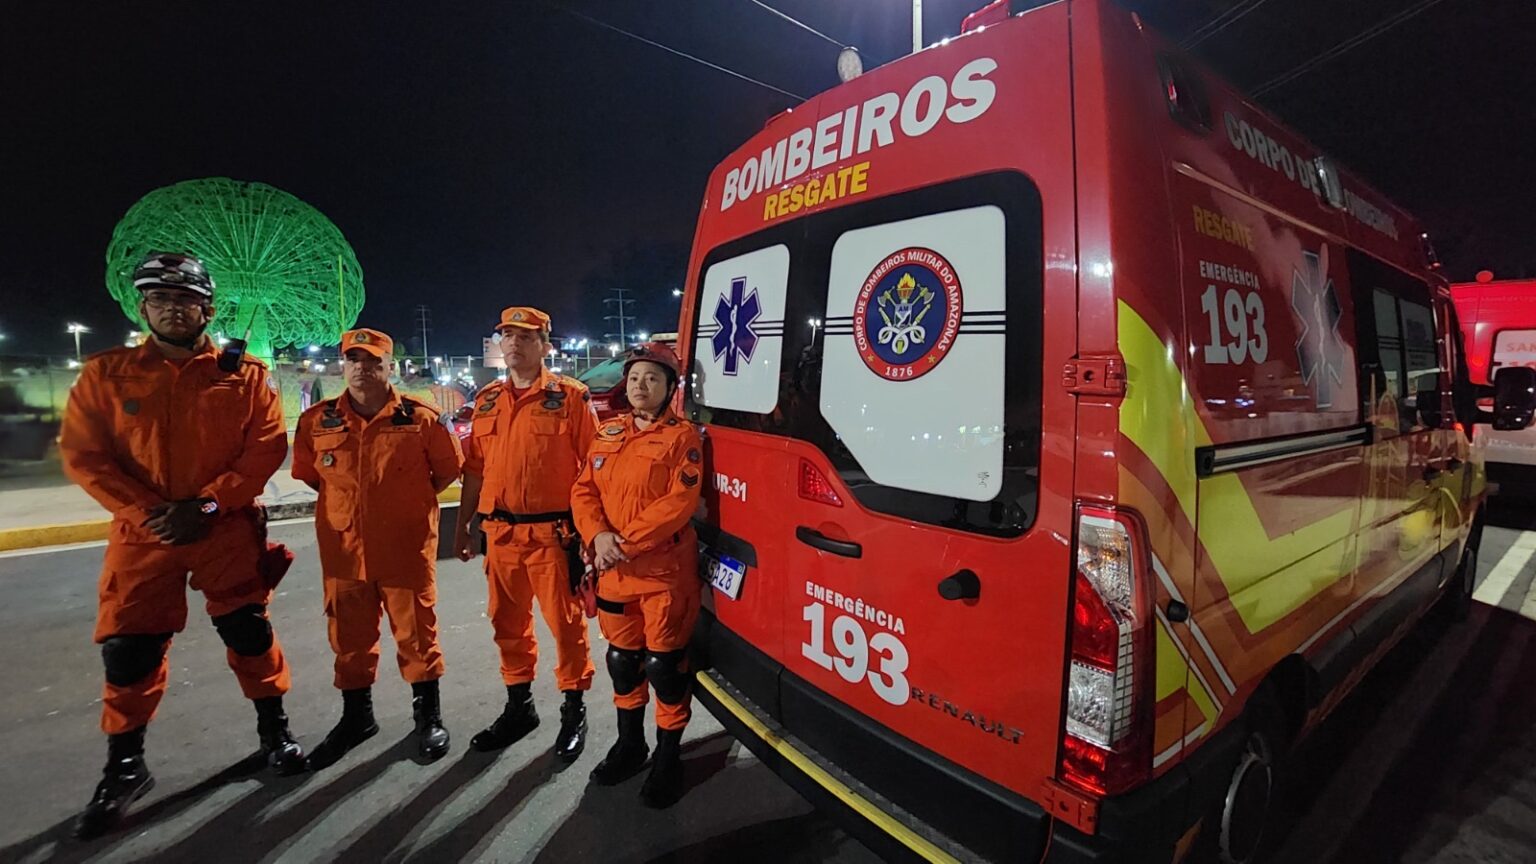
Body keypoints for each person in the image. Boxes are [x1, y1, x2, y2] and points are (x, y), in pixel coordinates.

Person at [59, 251, 303, 840]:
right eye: (160, 298)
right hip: (146, 535)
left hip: (222, 528)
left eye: (186, 299)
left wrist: (211, 505)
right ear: (142, 307)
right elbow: (85, 456)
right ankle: (125, 764)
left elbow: (264, 449)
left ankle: (275, 731)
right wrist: (150, 514)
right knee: (129, 650)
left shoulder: (243, 377)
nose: (173, 308)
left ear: (207, 308)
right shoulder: (107, 374)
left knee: (249, 630)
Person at [292, 328, 464, 769]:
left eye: (372, 361)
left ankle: (428, 718)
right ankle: (357, 718)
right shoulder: (318, 421)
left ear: (391, 367)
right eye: (353, 360)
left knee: (417, 636)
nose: (361, 369)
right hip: (344, 552)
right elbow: (314, 477)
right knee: (349, 640)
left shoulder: (421, 419)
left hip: (404, 550)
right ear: (342, 365)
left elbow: (446, 471)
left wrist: (401, 506)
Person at [453, 307, 598, 761]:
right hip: (500, 536)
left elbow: (594, 469)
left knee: (566, 627)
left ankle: (573, 710)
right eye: (507, 336)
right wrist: (464, 526)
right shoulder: (487, 400)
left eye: (525, 336)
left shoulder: (569, 397)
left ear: (545, 346)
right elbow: (474, 468)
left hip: (554, 537)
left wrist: (592, 534)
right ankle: (520, 708)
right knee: (506, 626)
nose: (514, 343)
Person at [570, 341, 704, 808]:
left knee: (664, 667)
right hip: (614, 574)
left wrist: (621, 544)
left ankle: (670, 756)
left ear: (670, 387)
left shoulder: (683, 438)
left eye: (652, 378)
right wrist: (598, 538)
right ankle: (631, 745)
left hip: (663, 573)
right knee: (623, 663)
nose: (640, 385)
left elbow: (678, 504)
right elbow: (583, 490)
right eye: (634, 378)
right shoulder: (607, 434)